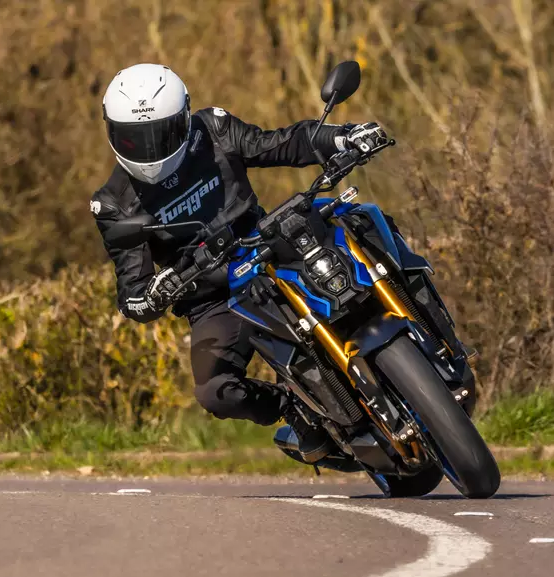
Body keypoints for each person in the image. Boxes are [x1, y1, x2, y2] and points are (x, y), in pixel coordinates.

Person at [91, 63, 388, 462]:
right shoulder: (111, 203)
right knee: (214, 391)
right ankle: (294, 410)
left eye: (161, 135)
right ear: (111, 132)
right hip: (212, 296)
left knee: (357, 217)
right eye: (133, 141)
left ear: (183, 118)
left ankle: (420, 318)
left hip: (267, 247)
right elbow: (133, 296)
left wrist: (342, 137)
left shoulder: (212, 129)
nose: (149, 151)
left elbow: (282, 143)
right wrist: (155, 293)